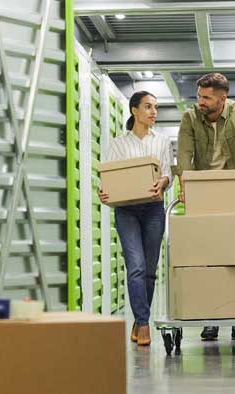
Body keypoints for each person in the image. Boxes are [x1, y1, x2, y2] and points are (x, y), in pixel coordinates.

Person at [173, 72, 235, 341]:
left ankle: (233, 313)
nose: (200, 101)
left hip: (231, 187)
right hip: (202, 189)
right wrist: (184, 187)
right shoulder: (190, 118)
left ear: (223, 98)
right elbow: (184, 154)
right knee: (205, 257)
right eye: (199, 96)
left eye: (206, 97)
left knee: (234, 256)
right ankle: (211, 316)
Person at [99, 91, 173, 346]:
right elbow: (107, 178)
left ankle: (139, 318)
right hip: (127, 211)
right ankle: (143, 324)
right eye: (148, 107)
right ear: (134, 111)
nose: (153, 112)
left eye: (155, 107)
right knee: (137, 267)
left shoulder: (162, 142)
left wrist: (163, 182)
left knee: (150, 272)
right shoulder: (117, 144)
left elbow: (166, 174)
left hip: (153, 209)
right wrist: (103, 192)